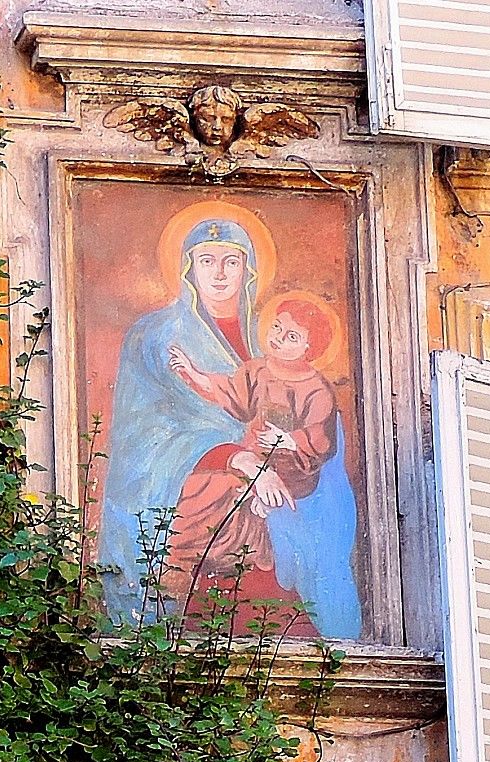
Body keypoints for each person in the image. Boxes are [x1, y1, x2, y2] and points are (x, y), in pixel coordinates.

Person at [94, 217, 361, 640]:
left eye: (231, 262)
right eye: (207, 261)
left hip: (286, 475)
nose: (219, 274)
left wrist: (287, 451)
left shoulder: (270, 335)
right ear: (188, 268)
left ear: (248, 270)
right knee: (219, 516)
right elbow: (143, 435)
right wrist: (240, 460)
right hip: (191, 482)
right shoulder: (154, 336)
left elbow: (318, 419)